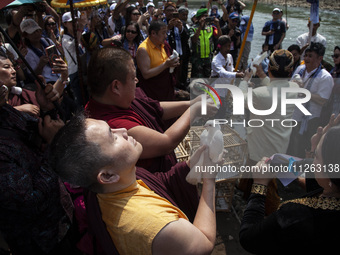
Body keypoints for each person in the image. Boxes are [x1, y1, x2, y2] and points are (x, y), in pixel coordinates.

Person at [49, 112, 218, 255]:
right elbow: (205, 242)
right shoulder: (155, 225)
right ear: (107, 176)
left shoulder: (110, 187)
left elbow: (158, 183)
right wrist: (209, 180)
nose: (122, 130)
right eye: (113, 136)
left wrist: (190, 166)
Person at [85, 47, 217, 173]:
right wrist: (194, 110)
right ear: (116, 87)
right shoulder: (115, 127)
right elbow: (166, 142)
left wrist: (190, 103)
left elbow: (155, 108)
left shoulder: (118, 100)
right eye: (132, 77)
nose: (136, 80)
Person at [0, 62, 77, 254]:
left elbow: (33, 133)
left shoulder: (4, 111)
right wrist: (52, 146)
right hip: (43, 242)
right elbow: (30, 201)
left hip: (64, 219)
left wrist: (45, 110)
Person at [239, 116, 340, 255]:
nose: (311, 160)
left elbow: (248, 238)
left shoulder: (294, 216)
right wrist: (317, 148)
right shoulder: (333, 189)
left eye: (316, 156)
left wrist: (259, 184)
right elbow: (317, 184)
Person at [287, 42, 334, 158]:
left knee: (304, 147)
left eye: (310, 56)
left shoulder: (325, 77)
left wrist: (304, 91)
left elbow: (322, 100)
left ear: (320, 58)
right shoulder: (300, 69)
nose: (306, 58)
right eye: (306, 55)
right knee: (291, 146)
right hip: (294, 115)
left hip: (310, 119)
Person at [136, 20, 179, 101]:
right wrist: (166, 65)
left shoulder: (164, 44)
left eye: (166, 33)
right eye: (163, 33)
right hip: (153, 91)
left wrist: (173, 62)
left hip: (166, 88)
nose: (166, 36)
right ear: (153, 33)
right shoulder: (143, 49)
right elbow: (146, 74)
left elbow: (168, 62)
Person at [21, 18, 60, 84]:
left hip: (59, 78)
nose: (36, 34)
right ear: (26, 35)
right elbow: (33, 76)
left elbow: (59, 57)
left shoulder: (48, 41)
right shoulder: (28, 53)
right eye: (32, 32)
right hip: (47, 83)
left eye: (37, 31)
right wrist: (41, 64)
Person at [61, 11, 86, 108]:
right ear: (65, 24)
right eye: (71, 22)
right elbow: (74, 46)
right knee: (81, 101)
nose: (74, 24)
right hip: (75, 72)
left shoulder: (79, 34)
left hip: (83, 70)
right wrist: (80, 28)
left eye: (75, 21)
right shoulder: (65, 39)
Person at [190, 8, 221, 78]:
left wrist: (218, 25)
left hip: (208, 58)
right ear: (199, 18)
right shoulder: (193, 28)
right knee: (197, 79)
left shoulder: (210, 28)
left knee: (208, 78)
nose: (205, 18)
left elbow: (219, 36)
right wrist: (200, 26)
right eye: (203, 16)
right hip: (197, 59)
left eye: (206, 16)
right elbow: (194, 40)